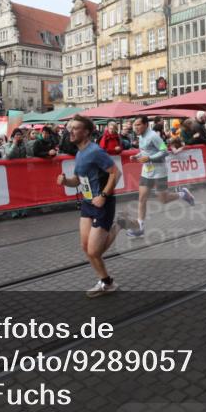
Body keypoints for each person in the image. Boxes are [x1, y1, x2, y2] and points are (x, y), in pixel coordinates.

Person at [56, 115, 122, 297]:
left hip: (102, 203)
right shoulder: (79, 153)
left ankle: (120, 225)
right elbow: (77, 180)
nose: (71, 131)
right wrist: (65, 182)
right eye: (71, 128)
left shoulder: (95, 151)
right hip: (87, 203)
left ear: (85, 132)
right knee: (87, 248)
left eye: (75, 128)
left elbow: (116, 173)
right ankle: (107, 283)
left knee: (94, 251)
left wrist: (103, 195)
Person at [124, 116, 195, 238]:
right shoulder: (141, 136)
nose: (136, 127)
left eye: (138, 125)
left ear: (146, 125)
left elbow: (164, 151)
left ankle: (183, 194)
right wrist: (137, 156)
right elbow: (146, 151)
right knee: (142, 198)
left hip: (159, 171)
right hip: (147, 171)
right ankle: (140, 227)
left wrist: (150, 158)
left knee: (163, 199)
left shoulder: (153, 136)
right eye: (135, 125)